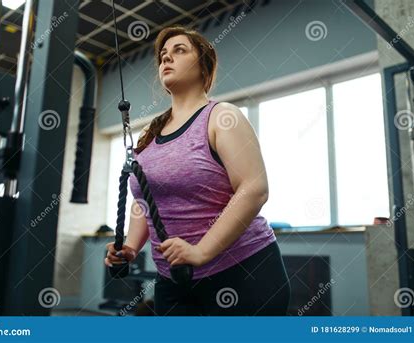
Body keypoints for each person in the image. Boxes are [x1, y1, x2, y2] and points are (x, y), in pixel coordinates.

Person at [105, 25, 291, 316]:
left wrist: (201, 250)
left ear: (204, 68)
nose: (167, 58)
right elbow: (145, 200)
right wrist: (130, 246)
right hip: (174, 278)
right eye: (163, 55)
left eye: (179, 51)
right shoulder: (150, 136)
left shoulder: (221, 117)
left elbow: (254, 189)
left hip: (243, 271)